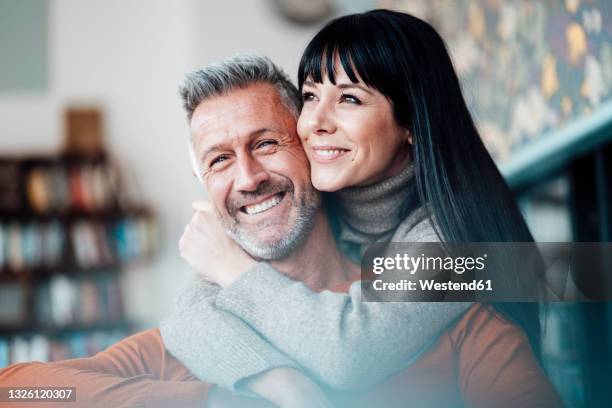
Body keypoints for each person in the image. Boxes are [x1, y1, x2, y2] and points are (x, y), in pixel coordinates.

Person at [0, 51, 561, 407]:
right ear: (204, 183)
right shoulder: (195, 341)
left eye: (266, 144)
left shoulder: (429, 304)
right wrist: (223, 400)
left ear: (311, 147)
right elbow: (21, 388)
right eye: (219, 160)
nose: (248, 177)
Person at [161, 8, 546, 399]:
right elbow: (187, 319)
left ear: (411, 122)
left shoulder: (456, 237)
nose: (314, 122)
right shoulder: (318, 201)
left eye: (348, 98)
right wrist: (283, 385)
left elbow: (350, 353)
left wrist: (231, 266)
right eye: (310, 96)